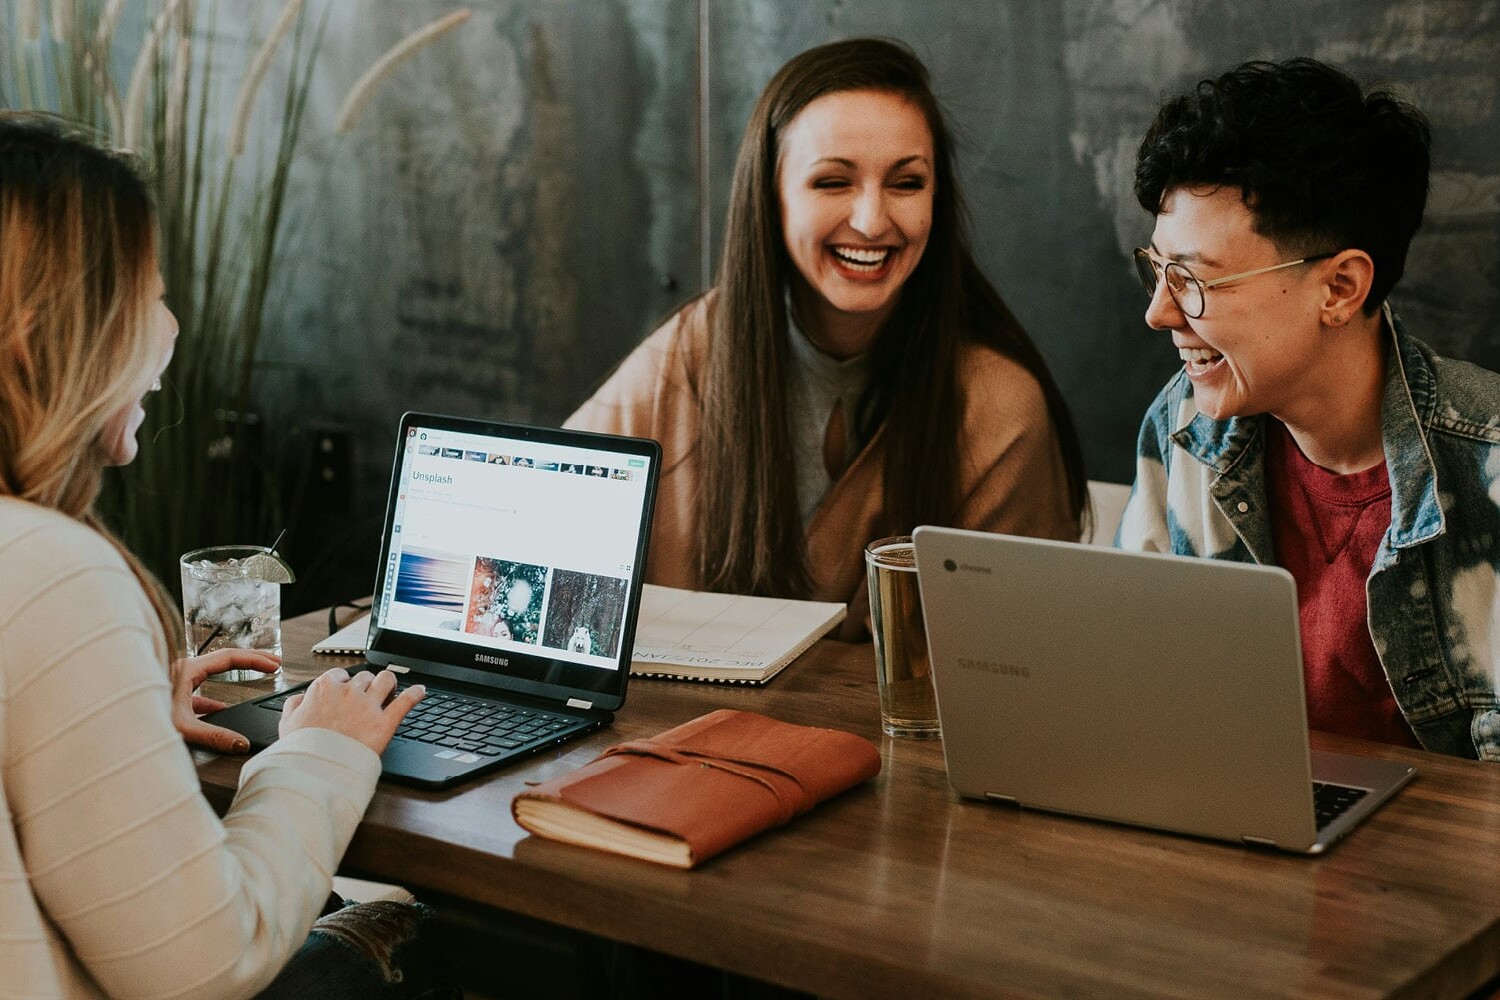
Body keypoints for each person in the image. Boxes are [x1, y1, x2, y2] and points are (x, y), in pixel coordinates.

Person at [0, 112, 453, 996]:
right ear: (45, 331)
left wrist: (111, 721)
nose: (169, 331)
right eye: (146, 296)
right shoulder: (49, 571)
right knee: (402, 939)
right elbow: (205, 965)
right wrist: (318, 753)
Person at [567, 38, 1087, 637]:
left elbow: (1020, 665)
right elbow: (537, 521)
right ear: (771, 197)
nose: (871, 220)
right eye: (833, 182)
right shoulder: (689, 353)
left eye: (907, 183)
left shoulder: (998, 406)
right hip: (678, 730)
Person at [1117, 58, 1500, 760]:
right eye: (1157, 268)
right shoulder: (1181, 430)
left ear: (1341, 288)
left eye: (1193, 281)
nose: (1158, 311)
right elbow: (1133, 695)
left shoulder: (1490, 468)